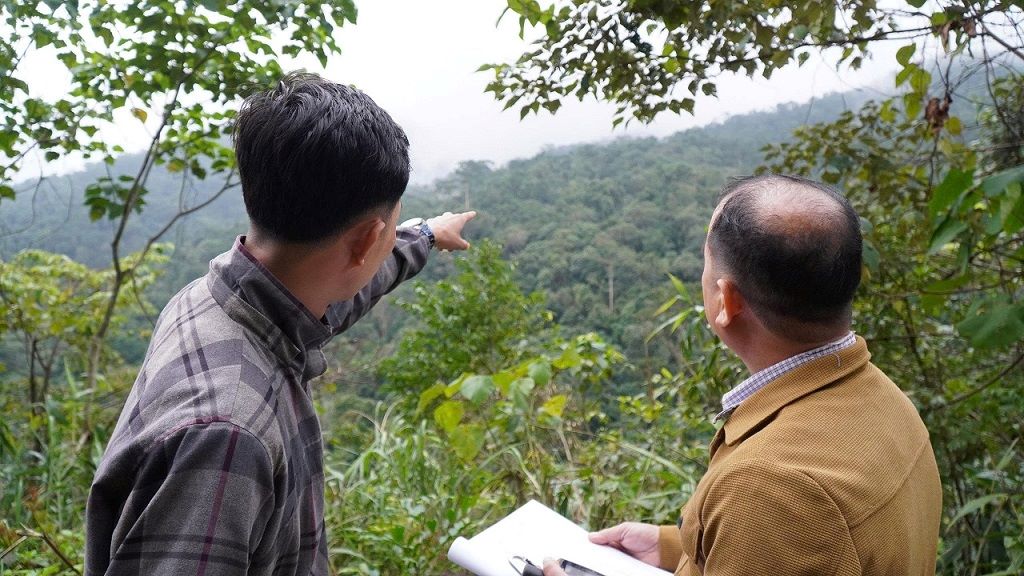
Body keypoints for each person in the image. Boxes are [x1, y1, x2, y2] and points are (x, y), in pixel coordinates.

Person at [85, 72, 475, 575]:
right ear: (364, 242)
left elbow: (346, 292)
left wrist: (425, 235)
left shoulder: (216, 298)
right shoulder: (227, 435)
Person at [544, 174, 942, 576]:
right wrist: (676, 548)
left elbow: (792, 526)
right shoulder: (882, 397)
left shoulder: (768, 488)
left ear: (726, 300)